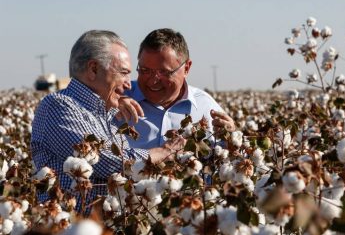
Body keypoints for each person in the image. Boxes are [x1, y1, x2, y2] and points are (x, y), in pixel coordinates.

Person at [31, 30, 182, 209]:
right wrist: (161, 152)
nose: (128, 83)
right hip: (72, 232)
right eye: (124, 73)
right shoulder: (58, 106)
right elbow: (106, 162)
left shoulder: (108, 113)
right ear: (93, 69)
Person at [120, 28, 235, 149]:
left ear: (186, 68)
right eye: (145, 70)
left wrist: (231, 142)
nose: (153, 80)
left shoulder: (205, 106)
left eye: (164, 72)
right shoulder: (117, 98)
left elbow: (224, 156)